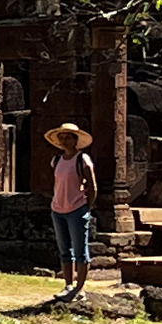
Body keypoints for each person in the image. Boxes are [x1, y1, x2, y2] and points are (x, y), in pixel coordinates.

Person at [46, 123, 100, 299]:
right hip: (58, 209)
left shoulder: (82, 159)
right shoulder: (56, 160)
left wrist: (87, 207)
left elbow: (92, 186)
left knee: (80, 251)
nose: (64, 140)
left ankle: (79, 288)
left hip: (77, 209)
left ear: (76, 140)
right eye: (62, 137)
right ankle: (68, 285)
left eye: (68, 137)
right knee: (64, 250)